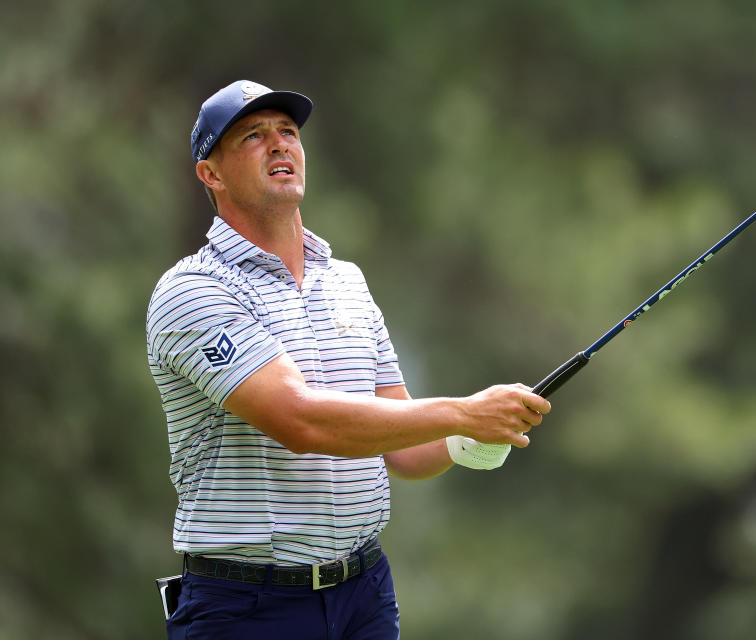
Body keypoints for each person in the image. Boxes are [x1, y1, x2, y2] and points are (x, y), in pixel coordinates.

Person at [146, 80, 551, 640]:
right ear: (210, 174)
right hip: (246, 605)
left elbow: (406, 453)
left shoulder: (346, 283)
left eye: (288, 132)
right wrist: (463, 412)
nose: (280, 145)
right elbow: (301, 420)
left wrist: (483, 433)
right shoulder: (193, 289)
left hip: (364, 595)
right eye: (253, 136)